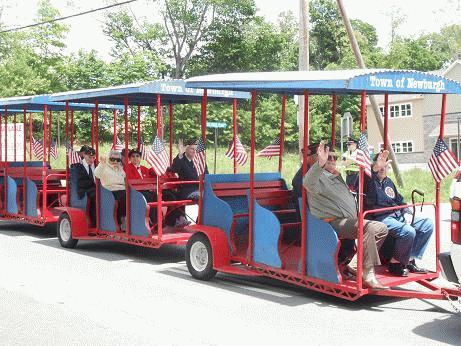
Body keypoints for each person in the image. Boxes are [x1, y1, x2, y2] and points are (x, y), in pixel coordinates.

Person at [303, 142, 389, 289]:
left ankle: (356, 264)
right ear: (315, 158)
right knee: (370, 228)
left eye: (333, 157)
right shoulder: (316, 177)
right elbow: (308, 183)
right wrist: (319, 164)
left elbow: (361, 185)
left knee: (382, 228)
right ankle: (367, 272)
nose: (331, 159)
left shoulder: (336, 175)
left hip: (348, 220)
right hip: (331, 223)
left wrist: (374, 169)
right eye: (327, 157)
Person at [364, 150, 432, 276]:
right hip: (380, 217)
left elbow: (399, 200)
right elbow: (370, 174)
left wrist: (406, 211)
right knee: (408, 231)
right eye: (380, 165)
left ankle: (409, 259)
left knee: (427, 224)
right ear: (374, 165)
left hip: (396, 216)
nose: (382, 168)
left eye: (385, 165)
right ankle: (395, 263)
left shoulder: (389, 182)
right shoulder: (368, 180)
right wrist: (375, 167)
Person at [125, 149, 189, 227]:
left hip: (148, 190)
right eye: (133, 156)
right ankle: (154, 221)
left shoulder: (145, 169)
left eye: (137, 156)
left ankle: (175, 219)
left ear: (140, 158)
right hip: (136, 191)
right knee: (151, 197)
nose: (135, 158)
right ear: (130, 158)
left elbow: (153, 176)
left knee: (170, 196)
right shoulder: (127, 168)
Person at [94, 150, 126, 228]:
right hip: (109, 191)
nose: (115, 161)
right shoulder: (104, 166)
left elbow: (125, 178)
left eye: (118, 160)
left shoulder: (120, 168)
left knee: (135, 196)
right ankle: (121, 220)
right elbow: (97, 174)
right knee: (126, 198)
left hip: (122, 189)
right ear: (108, 159)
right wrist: (102, 164)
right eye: (112, 159)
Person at [74, 147, 96, 225]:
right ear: (84, 155)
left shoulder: (97, 165)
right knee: (96, 196)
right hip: (85, 190)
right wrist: (94, 183)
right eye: (89, 157)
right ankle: (94, 222)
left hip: (96, 189)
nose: (92, 160)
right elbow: (81, 183)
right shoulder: (78, 166)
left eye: (93, 157)